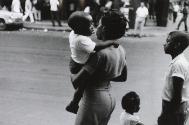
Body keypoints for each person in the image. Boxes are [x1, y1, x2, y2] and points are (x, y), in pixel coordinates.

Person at [71, 10, 127, 125]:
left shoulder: (99, 55)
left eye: (99, 25)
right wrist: (103, 76)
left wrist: (72, 66)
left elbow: (76, 81)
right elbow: (122, 76)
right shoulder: (120, 49)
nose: (96, 27)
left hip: (93, 100)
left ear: (104, 29)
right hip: (109, 99)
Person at [158, 31, 189, 125]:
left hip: (174, 110)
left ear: (176, 45)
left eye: (168, 42)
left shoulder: (178, 64)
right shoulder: (177, 61)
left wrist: (165, 115)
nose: (164, 44)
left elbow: (177, 96)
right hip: (173, 108)